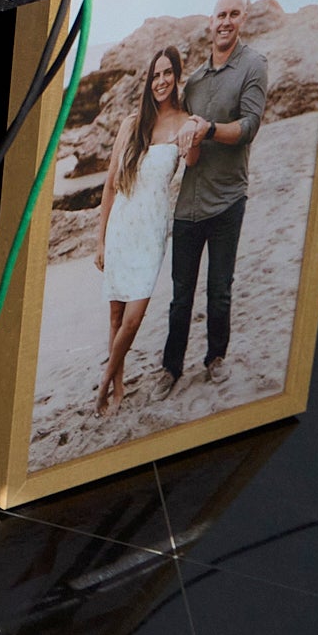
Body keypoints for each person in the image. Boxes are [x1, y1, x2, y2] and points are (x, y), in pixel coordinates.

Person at [164, 0, 269, 386]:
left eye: (234, 14)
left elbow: (248, 128)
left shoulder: (254, 65)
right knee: (180, 297)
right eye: (220, 14)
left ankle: (215, 358)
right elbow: (176, 133)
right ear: (211, 22)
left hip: (228, 200)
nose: (226, 21)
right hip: (188, 205)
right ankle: (170, 368)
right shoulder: (193, 82)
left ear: (244, 19)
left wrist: (208, 129)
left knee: (219, 289)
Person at [93, 47, 195, 416]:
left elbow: (195, 157)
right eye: (155, 75)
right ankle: (118, 388)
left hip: (152, 231)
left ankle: (103, 384)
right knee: (116, 316)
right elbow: (109, 186)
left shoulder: (186, 122)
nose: (161, 81)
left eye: (168, 73)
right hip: (122, 226)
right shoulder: (131, 124)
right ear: (148, 80)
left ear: (177, 76)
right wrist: (100, 239)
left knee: (134, 318)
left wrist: (198, 128)